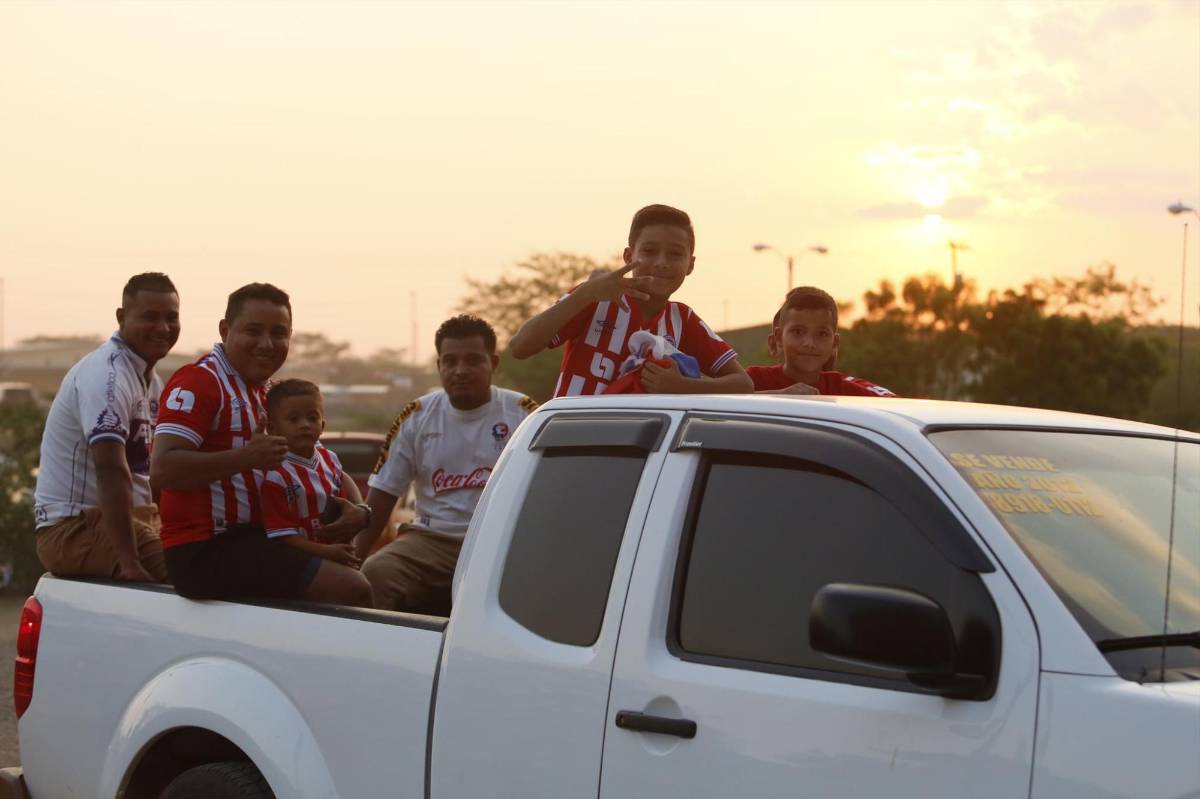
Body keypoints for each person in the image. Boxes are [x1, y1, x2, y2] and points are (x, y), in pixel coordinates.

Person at [150, 283, 371, 606]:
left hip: (261, 539)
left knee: (356, 573)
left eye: (279, 333)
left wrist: (360, 510)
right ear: (225, 330)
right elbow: (162, 469)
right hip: (207, 547)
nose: (267, 344)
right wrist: (245, 457)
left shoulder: (269, 391)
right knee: (352, 588)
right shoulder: (200, 382)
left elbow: (319, 460)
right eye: (253, 331)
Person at [355, 315, 537, 614]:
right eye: (450, 361)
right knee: (376, 573)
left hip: (501, 541)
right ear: (439, 365)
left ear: (493, 363)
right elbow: (383, 494)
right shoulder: (417, 415)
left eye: (473, 360)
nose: (460, 370)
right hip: (429, 542)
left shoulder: (524, 413)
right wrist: (353, 561)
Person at [508, 204, 754, 396]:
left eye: (675, 254)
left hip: (638, 446)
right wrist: (583, 294)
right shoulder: (596, 296)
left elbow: (743, 384)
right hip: (573, 438)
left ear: (690, 264)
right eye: (649, 251)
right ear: (628, 256)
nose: (661, 262)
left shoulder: (683, 319)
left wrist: (682, 386)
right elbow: (520, 347)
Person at [33, 272, 180, 582]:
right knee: (191, 573)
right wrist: (129, 563)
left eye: (171, 317)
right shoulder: (107, 375)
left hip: (132, 520)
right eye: (150, 317)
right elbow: (110, 470)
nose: (163, 327)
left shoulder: (151, 380)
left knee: (209, 554)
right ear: (121, 317)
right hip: (76, 527)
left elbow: (151, 473)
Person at [258, 379, 374, 597]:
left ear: (323, 426)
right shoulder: (276, 474)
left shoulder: (330, 459)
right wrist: (326, 552)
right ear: (272, 428)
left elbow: (343, 495)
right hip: (305, 562)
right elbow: (283, 537)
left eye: (312, 418)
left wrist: (355, 514)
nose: (305, 425)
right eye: (294, 419)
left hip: (337, 554)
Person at [749, 286, 896, 397]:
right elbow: (732, 400)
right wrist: (779, 396)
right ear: (778, 338)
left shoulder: (842, 389)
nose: (809, 343)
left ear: (835, 343)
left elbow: (898, 406)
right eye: (798, 332)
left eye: (822, 334)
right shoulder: (755, 380)